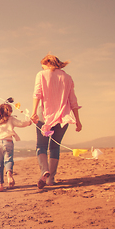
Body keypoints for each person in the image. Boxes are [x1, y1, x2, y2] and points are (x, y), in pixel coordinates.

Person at [31, 54, 82, 189]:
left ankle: (44, 171)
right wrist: (78, 121)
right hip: (63, 117)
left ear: (47, 63)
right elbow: (73, 101)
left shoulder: (41, 75)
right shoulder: (68, 77)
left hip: (45, 116)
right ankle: (51, 178)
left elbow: (37, 94)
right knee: (55, 146)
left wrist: (34, 112)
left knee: (41, 146)